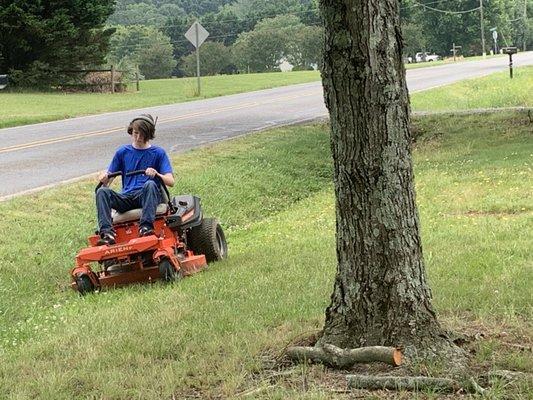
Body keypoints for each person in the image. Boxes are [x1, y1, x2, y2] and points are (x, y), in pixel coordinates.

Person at [95, 114, 175, 245]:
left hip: (147, 195)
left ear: (148, 134)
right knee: (102, 192)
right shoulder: (122, 152)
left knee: (150, 184)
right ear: (131, 131)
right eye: (135, 133)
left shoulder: (158, 153)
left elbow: (171, 181)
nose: (138, 138)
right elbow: (108, 179)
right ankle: (107, 233)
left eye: (142, 134)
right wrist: (104, 177)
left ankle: (146, 228)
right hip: (126, 197)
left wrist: (157, 174)